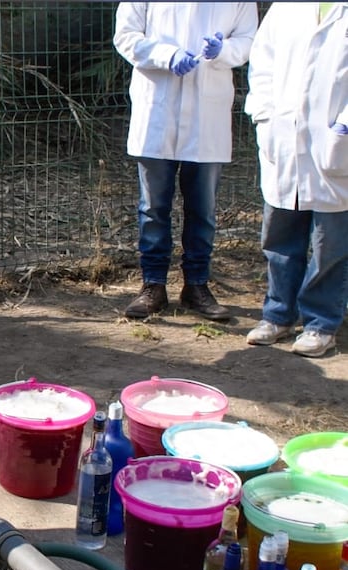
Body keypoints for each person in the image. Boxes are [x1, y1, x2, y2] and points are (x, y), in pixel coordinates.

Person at [113, 3, 258, 321]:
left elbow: (249, 40)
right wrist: (166, 55)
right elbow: (125, 35)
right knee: (153, 208)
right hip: (157, 110)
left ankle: (196, 286)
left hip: (207, 114)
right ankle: (153, 286)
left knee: (202, 210)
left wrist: (223, 51)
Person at [243, 3, 348, 357]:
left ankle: (321, 323)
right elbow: (263, 63)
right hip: (284, 141)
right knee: (279, 237)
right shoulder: (286, 8)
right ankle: (278, 315)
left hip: (336, 141)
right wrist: (264, 115)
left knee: (329, 244)